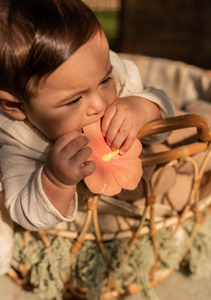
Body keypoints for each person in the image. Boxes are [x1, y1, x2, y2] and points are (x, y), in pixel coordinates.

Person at [0, 0, 174, 275]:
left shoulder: (104, 69)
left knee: (186, 138)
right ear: (17, 106)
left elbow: (163, 103)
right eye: (74, 100)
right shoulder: (17, 137)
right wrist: (56, 180)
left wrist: (142, 107)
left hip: (146, 166)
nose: (97, 104)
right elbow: (23, 212)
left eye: (104, 81)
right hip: (99, 218)